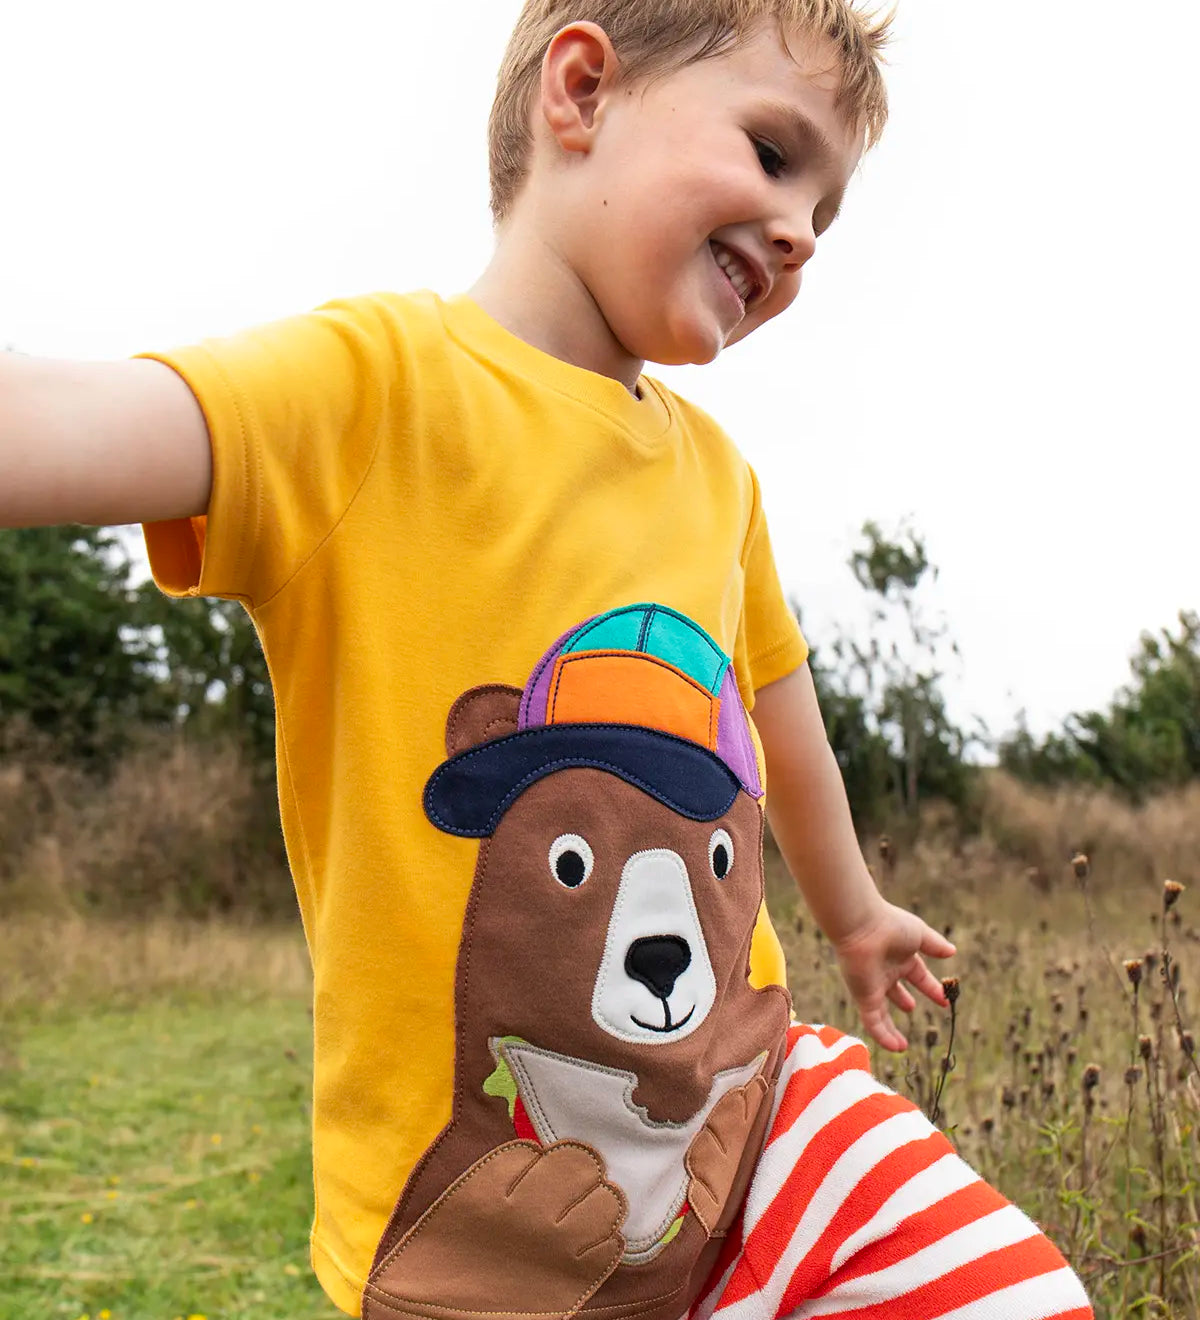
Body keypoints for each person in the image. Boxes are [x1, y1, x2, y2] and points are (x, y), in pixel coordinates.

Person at [0, 2, 1092, 1317]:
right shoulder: (376, 391)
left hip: (752, 1120)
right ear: (579, 91)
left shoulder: (717, 480)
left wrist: (852, 912)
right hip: (490, 1241)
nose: (803, 229)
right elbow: (80, 419)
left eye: (829, 209)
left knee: (1014, 1298)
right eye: (771, 151)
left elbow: (781, 706)